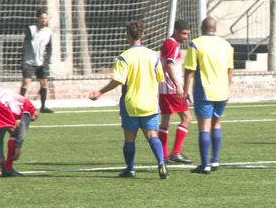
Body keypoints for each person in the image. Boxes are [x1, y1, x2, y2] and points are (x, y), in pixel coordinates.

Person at [89, 20, 169, 180]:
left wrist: (100, 91)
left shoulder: (124, 57)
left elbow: (119, 80)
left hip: (131, 103)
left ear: (127, 36)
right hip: (150, 104)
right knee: (152, 135)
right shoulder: (153, 56)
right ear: (143, 35)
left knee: (129, 138)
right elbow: (160, 77)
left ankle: (130, 169)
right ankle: (161, 163)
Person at [183, 17, 234, 174]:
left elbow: (190, 70)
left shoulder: (196, 44)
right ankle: (215, 161)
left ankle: (205, 165)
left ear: (201, 28)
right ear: (215, 28)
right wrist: (227, 88)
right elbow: (230, 70)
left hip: (205, 91)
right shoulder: (226, 45)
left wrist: (185, 90)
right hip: (222, 91)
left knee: (204, 126)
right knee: (217, 124)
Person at [158, 19, 195, 164]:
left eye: (187, 34)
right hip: (172, 90)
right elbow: (169, 65)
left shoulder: (167, 43)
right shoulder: (173, 45)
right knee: (187, 118)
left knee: (165, 122)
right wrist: (179, 86)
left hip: (163, 89)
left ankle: (164, 155)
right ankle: (176, 153)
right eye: (184, 33)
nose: (186, 37)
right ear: (176, 30)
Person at [21, 7, 54, 113]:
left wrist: (47, 60)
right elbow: (27, 41)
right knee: (26, 82)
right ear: (38, 19)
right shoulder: (31, 29)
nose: (44, 20)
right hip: (29, 61)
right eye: (42, 18)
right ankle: (20, 106)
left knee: (44, 83)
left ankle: (43, 106)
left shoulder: (48, 32)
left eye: (46, 18)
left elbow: (49, 47)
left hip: (41, 63)